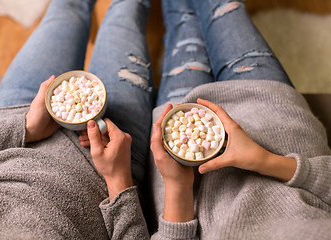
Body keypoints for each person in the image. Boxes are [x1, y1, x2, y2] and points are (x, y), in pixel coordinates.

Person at [0, 0, 330, 239]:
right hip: (112, 162)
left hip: (19, 118)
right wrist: (119, 181)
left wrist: (23, 128)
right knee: (182, 19)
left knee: (84, 9)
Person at [83, 0, 331, 239]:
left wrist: (178, 184)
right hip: (271, 110)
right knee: (224, 8)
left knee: (183, 26)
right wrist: (265, 160)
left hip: (186, 170)